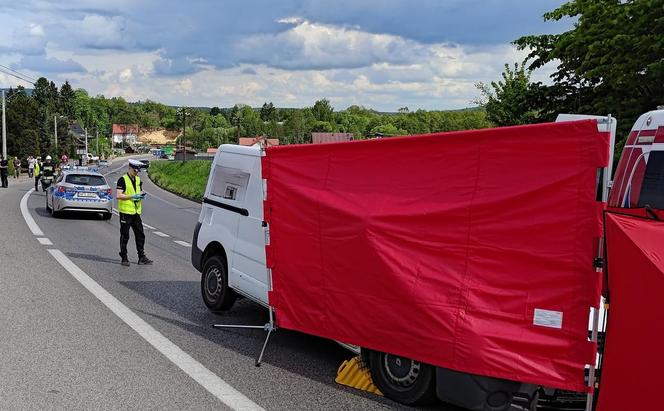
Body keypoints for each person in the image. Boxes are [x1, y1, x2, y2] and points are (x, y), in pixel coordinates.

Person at [116, 159, 153, 267]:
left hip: (136, 212)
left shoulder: (138, 179)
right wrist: (132, 196)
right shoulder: (122, 180)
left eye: (137, 171)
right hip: (125, 212)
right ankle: (124, 257)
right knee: (125, 235)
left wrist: (142, 194)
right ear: (130, 168)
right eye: (135, 170)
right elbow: (118, 195)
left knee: (140, 235)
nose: (136, 173)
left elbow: (139, 190)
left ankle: (141, 257)